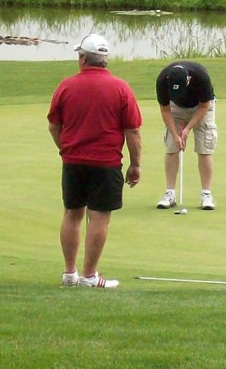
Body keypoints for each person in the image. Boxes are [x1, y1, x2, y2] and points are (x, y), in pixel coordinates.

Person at [48, 33, 143, 288]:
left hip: (74, 162)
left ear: (82, 59)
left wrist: (65, 149)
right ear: (105, 60)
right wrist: (135, 164)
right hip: (106, 163)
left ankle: (70, 273)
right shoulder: (121, 88)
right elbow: (132, 131)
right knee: (99, 216)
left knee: (72, 213)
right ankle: (89, 275)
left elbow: (54, 125)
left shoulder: (67, 85)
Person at [154, 61, 218, 210]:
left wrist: (187, 129)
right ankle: (169, 193)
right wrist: (176, 135)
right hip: (174, 107)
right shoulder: (162, 80)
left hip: (202, 106)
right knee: (171, 147)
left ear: (188, 80)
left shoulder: (201, 77)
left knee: (205, 147)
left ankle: (206, 194)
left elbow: (204, 106)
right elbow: (165, 110)